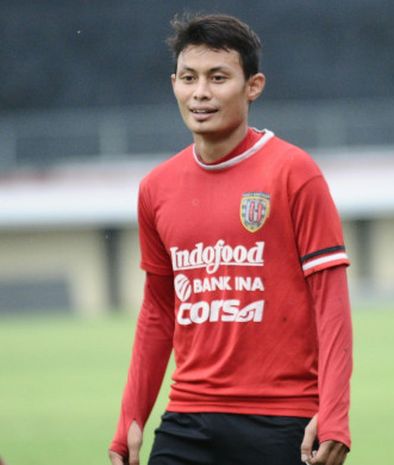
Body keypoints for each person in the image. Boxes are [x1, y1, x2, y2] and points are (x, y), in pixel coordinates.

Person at [108, 14, 352, 465]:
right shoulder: (156, 188)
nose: (200, 92)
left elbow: (331, 302)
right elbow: (159, 311)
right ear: (174, 84)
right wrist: (131, 418)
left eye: (218, 78)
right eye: (189, 78)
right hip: (187, 418)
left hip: (282, 421)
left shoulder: (294, 173)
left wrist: (334, 413)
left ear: (253, 86)